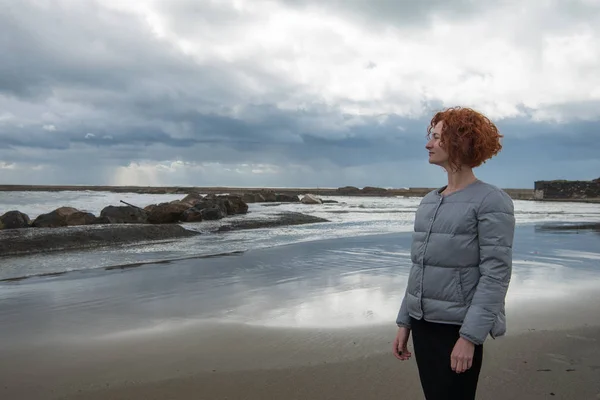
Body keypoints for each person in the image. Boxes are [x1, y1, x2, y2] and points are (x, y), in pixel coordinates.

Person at [393, 106, 516, 400]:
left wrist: (469, 338)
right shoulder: (428, 202)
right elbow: (420, 268)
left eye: (436, 137)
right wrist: (405, 322)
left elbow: (496, 274)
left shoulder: (491, 201)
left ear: (460, 142)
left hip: (456, 330)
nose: (428, 144)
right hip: (423, 325)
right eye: (430, 136)